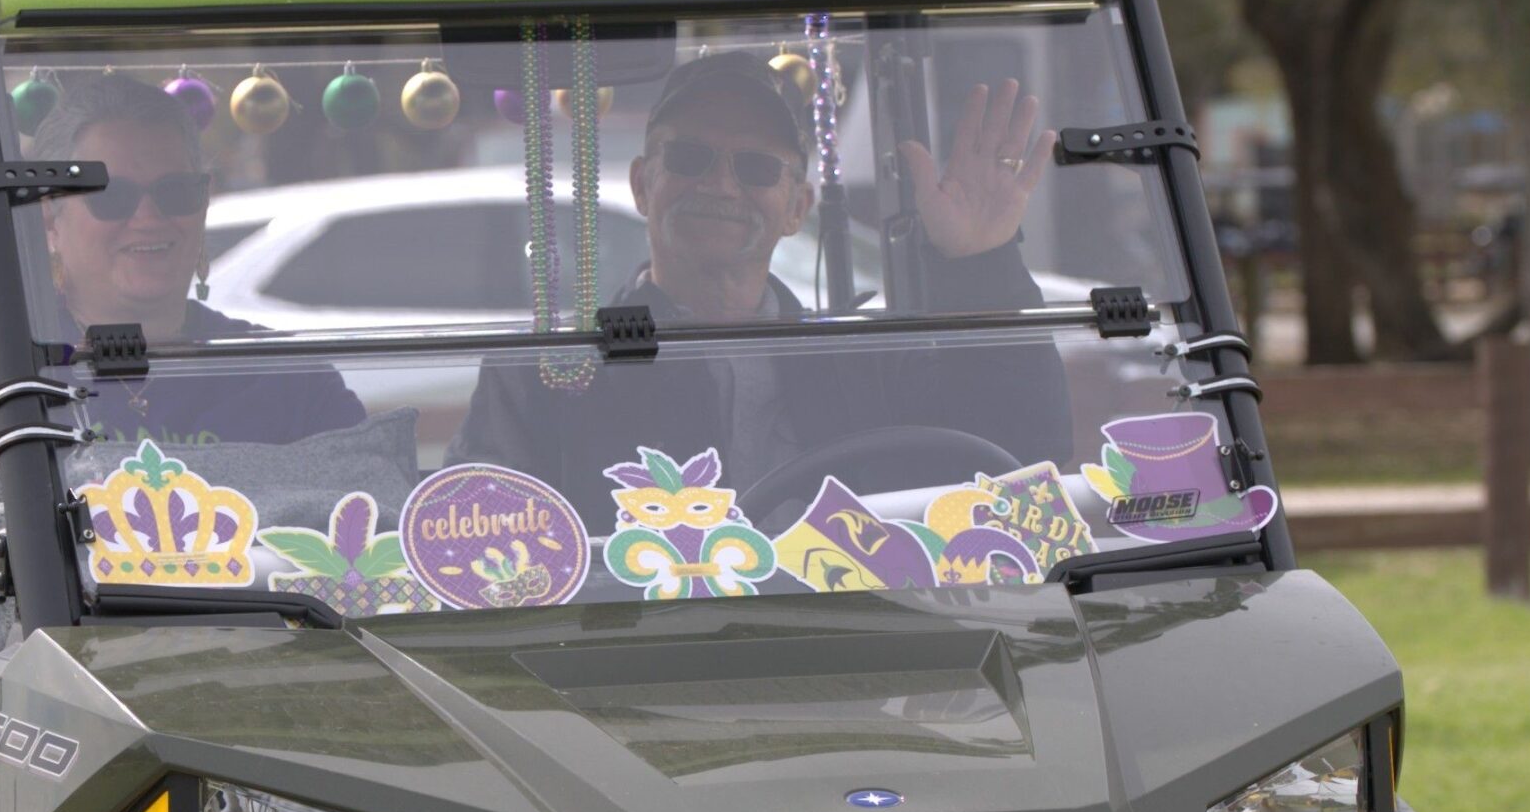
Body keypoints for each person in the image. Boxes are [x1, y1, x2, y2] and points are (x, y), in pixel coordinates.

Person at [449, 49, 1068, 516]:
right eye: (690, 158)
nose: (721, 185)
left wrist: (980, 261)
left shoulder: (868, 359)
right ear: (642, 184)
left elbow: (1022, 458)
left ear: (797, 206)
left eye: (756, 167)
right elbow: (491, 551)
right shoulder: (549, 373)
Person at [0, 75, 363, 489]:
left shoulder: (286, 377)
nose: (148, 218)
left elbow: (369, 518)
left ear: (202, 204)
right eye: (111, 196)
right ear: (51, 219)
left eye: (175, 192)